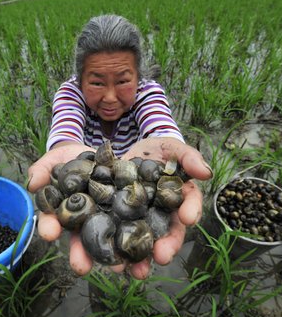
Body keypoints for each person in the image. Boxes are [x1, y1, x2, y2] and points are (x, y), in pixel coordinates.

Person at [27, 14, 213, 280]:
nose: (110, 97)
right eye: (97, 82)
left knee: (133, 264)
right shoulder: (69, 94)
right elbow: (64, 132)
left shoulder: (148, 92)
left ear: (139, 76)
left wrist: (169, 145)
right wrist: (66, 153)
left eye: (124, 81)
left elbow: (161, 126)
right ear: (80, 79)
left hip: (129, 195)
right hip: (102, 207)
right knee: (98, 265)